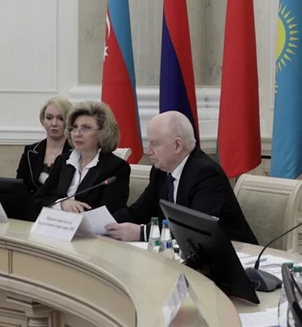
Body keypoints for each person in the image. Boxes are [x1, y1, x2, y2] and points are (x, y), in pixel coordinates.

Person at [106, 112, 256, 244]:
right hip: (189, 252)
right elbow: (139, 211)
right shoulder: (161, 171)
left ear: (178, 145)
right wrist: (103, 224)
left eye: (154, 143)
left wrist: (142, 233)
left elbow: (196, 229)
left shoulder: (206, 173)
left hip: (235, 254)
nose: (148, 151)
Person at [33, 101, 130, 214]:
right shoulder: (63, 161)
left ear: (103, 133)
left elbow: (110, 212)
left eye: (86, 128)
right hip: (56, 223)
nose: (77, 134)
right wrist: (62, 204)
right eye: (74, 128)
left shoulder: (116, 168)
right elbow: (38, 200)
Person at [17, 96, 71, 193]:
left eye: (60, 118)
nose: (54, 123)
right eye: (49, 118)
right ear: (43, 120)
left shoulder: (76, 152)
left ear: (68, 121)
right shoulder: (30, 151)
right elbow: (19, 187)